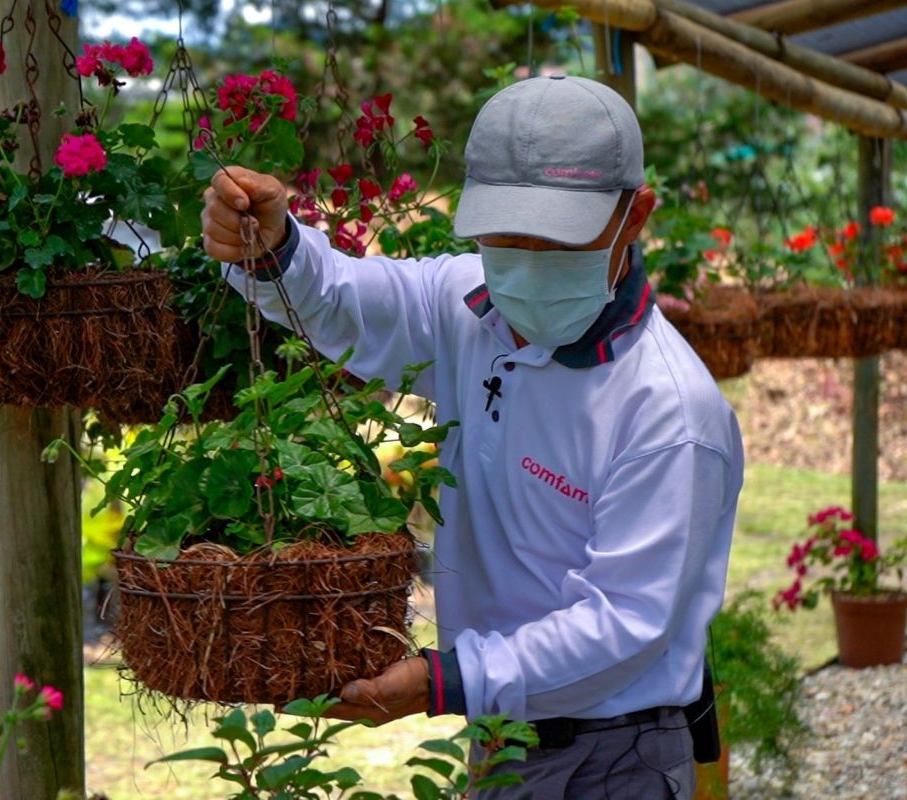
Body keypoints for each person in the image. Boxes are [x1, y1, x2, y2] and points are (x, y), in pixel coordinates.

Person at [201, 75, 743, 799]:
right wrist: (271, 247)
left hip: (614, 761)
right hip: (502, 739)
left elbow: (625, 622)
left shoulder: (669, 413)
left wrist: (442, 681)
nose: (523, 262)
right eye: (503, 235)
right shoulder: (465, 307)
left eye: (555, 238)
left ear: (635, 215)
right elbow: (344, 301)